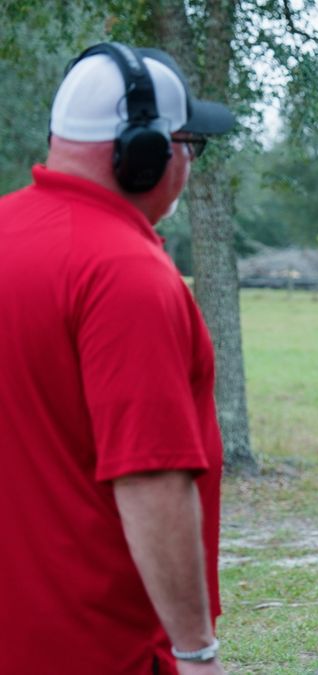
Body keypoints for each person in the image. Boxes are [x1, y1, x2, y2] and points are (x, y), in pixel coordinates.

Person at [0, 42, 234, 673]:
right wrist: (194, 651)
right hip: (101, 646)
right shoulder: (126, 274)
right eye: (189, 143)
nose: (189, 160)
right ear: (144, 154)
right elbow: (151, 478)